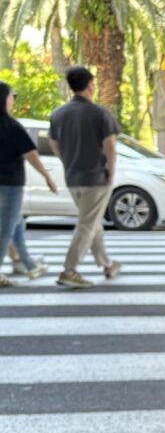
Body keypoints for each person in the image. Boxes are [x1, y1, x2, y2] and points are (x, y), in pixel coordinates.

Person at [48, 66, 122, 288]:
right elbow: (110, 146)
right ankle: (68, 270)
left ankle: (106, 264)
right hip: (96, 178)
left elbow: (54, 144)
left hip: (73, 177)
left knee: (91, 220)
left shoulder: (58, 114)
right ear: (90, 84)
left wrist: (67, 161)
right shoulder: (100, 113)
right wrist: (111, 172)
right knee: (87, 224)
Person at [0, 82, 58, 288]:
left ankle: (28, 265)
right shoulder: (11, 126)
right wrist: (47, 177)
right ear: (5, 99)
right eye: (10, 97)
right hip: (10, 185)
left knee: (16, 224)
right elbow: (31, 154)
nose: (12, 101)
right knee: (5, 229)